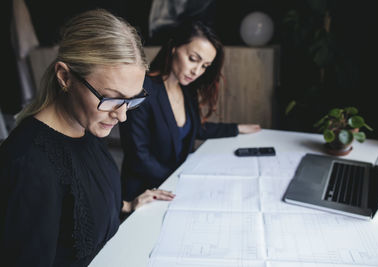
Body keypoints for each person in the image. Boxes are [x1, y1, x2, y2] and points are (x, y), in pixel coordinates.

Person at [0, 9, 174, 266]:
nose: (122, 116)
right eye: (112, 98)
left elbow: (76, 210)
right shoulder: (28, 165)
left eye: (131, 99)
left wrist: (126, 206)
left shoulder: (87, 125)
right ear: (65, 77)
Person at [119, 20, 261, 203]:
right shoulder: (142, 90)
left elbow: (196, 128)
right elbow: (139, 156)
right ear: (174, 48)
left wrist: (236, 128)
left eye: (205, 66)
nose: (197, 71)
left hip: (176, 187)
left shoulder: (186, 89)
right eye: (193, 59)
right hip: (145, 193)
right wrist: (179, 179)